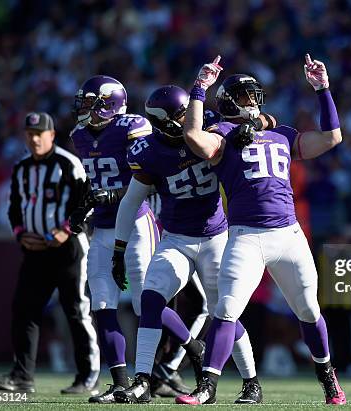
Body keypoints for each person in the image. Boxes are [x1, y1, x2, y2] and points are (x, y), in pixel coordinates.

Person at [176, 54, 346, 405]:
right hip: (246, 237)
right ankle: (207, 386)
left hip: (288, 236)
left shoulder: (281, 133)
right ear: (227, 103)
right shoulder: (221, 134)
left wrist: (322, 89)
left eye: (254, 96)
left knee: (309, 311)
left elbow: (331, 137)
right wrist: (199, 88)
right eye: (243, 97)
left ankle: (328, 377)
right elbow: (192, 134)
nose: (251, 102)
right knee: (226, 309)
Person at [111, 85, 276, 404]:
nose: (190, 119)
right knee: (150, 298)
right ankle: (143, 379)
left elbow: (267, 118)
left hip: (216, 236)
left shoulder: (211, 123)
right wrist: (119, 249)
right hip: (176, 239)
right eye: (181, 115)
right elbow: (131, 201)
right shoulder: (148, 150)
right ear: (163, 122)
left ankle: (251, 382)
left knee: (225, 312)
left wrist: (251, 126)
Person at [0, 112, 100, 394]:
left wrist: (66, 229)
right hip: (35, 249)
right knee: (24, 308)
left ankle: (88, 376)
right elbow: (14, 207)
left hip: (69, 249)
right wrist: (20, 234)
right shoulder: (21, 167)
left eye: (40, 134)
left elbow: (88, 202)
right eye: (29, 134)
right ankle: (22, 376)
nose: (34, 139)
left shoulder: (69, 163)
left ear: (51, 135)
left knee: (76, 310)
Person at [69, 75, 162, 403]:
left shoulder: (132, 128)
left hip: (136, 224)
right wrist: (81, 207)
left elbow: (151, 177)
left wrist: (110, 196)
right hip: (103, 229)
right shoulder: (79, 135)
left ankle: (188, 353)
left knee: (145, 302)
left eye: (90, 102)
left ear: (110, 104)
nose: (83, 108)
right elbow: (88, 182)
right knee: (102, 304)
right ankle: (121, 382)